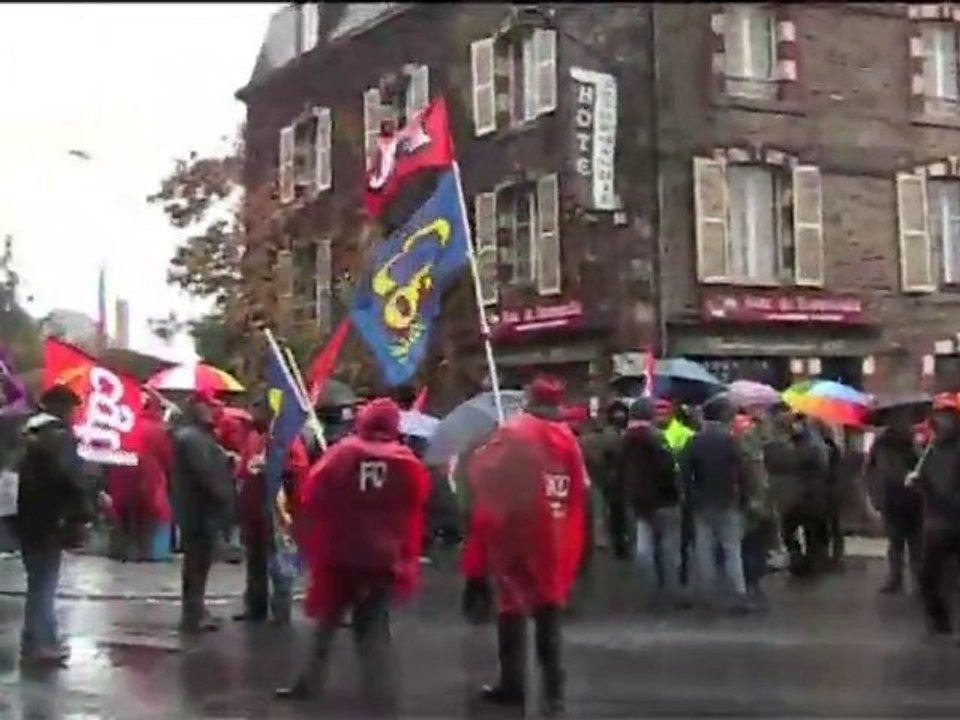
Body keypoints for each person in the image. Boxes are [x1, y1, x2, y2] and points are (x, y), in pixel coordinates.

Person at [276, 398, 430, 711]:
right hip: (384, 557)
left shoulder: (343, 453)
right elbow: (417, 502)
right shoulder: (408, 461)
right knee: (374, 629)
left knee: (326, 624)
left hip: (341, 554)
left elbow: (313, 493)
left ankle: (309, 683)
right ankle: (380, 694)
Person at [463, 376, 588, 717]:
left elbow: (481, 473)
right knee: (548, 609)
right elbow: (580, 489)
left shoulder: (516, 432)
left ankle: (513, 682)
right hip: (555, 531)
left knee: (511, 605)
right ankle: (553, 689)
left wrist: (483, 450)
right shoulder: (567, 439)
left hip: (517, 532)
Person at [15, 384, 91, 666]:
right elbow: (69, 477)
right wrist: (83, 510)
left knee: (38, 581)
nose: (74, 415)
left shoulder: (27, 432)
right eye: (73, 409)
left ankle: (44, 638)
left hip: (26, 519)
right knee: (44, 584)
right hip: (50, 520)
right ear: (62, 408)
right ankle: (38, 644)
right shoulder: (58, 437)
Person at [233, 394, 309, 626]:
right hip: (253, 507)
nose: (250, 416)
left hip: (276, 509)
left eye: (255, 411)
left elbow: (301, 466)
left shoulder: (287, 438)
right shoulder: (254, 437)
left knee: (279, 561)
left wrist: (275, 466)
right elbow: (245, 468)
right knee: (255, 560)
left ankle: (281, 610)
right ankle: (255, 607)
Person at [170, 391, 236, 634]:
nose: (212, 411)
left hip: (196, 510)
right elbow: (205, 475)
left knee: (197, 565)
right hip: (199, 511)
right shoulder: (193, 438)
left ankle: (196, 610)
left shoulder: (198, 437)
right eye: (208, 407)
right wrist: (223, 496)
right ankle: (194, 612)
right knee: (197, 565)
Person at [679, 396, 749, 611]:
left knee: (703, 548)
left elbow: (684, 474)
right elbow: (742, 472)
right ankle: (739, 592)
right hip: (728, 500)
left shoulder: (694, 441)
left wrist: (690, 498)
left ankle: (706, 592)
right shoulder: (731, 441)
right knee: (731, 549)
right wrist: (744, 497)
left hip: (702, 503)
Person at [617, 397, 682, 606]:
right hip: (664, 501)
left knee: (645, 548)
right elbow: (668, 468)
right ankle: (668, 592)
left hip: (637, 502)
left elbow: (618, 471)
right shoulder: (657, 438)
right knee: (667, 548)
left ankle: (650, 590)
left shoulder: (624, 441)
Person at [913, 394, 960, 637]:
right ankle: (939, 620)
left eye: (947, 417)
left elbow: (946, 487)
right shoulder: (931, 448)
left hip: (954, 519)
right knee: (927, 576)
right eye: (939, 417)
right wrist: (917, 483)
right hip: (935, 522)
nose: (942, 422)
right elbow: (928, 480)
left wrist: (937, 493)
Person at [865, 410, 922, 594]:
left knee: (916, 544)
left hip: (914, 499)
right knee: (895, 542)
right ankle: (895, 578)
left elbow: (923, 466)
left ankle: (917, 579)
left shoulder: (915, 442)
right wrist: (875, 495)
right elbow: (871, 470)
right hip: (891, 498)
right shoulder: (881, 444)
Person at [579, 400, 629, 559]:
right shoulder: (619, 438)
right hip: (613, 479)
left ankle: (600, 540)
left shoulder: (585, 439)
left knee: (599, 510)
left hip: (596, 477)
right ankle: (616, 541)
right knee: (616, 512)